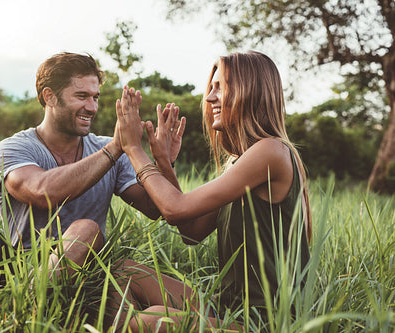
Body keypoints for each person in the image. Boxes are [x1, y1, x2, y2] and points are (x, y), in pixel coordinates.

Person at [0, 52, 187, 318]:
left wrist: (164, 162)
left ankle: (27, 314)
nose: (92, 107)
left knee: (86, 229)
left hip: (83, 274)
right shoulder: (14, 148)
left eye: (95, 97)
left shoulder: (108, 149)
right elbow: (42, 192)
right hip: (19, 267)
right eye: (81, 96)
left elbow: (155, 208)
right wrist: (116, 147)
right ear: (49, 96)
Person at [116, 51, 312, 332]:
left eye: (221, 88)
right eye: (211, 88)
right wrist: (163, 163)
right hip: (229, 308)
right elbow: (191, 232)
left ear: (250, 92)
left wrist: (133, 148)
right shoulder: (241, 160)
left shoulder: (271, 151)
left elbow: (174, 209)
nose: (209, 98)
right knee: (125, 270)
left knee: (151, 319)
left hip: (268, 323)